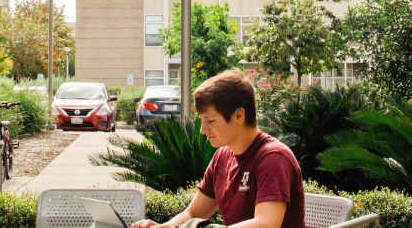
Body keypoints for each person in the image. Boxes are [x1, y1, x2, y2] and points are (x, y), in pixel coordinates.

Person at [130, 69, 305, 228]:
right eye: (202, 121)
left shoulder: (273, 158)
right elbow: (193, 213)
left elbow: (266, 224)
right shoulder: (222, 157)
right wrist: (166, 226)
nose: (203, 130)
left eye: (211, 121)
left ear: (238, 115)